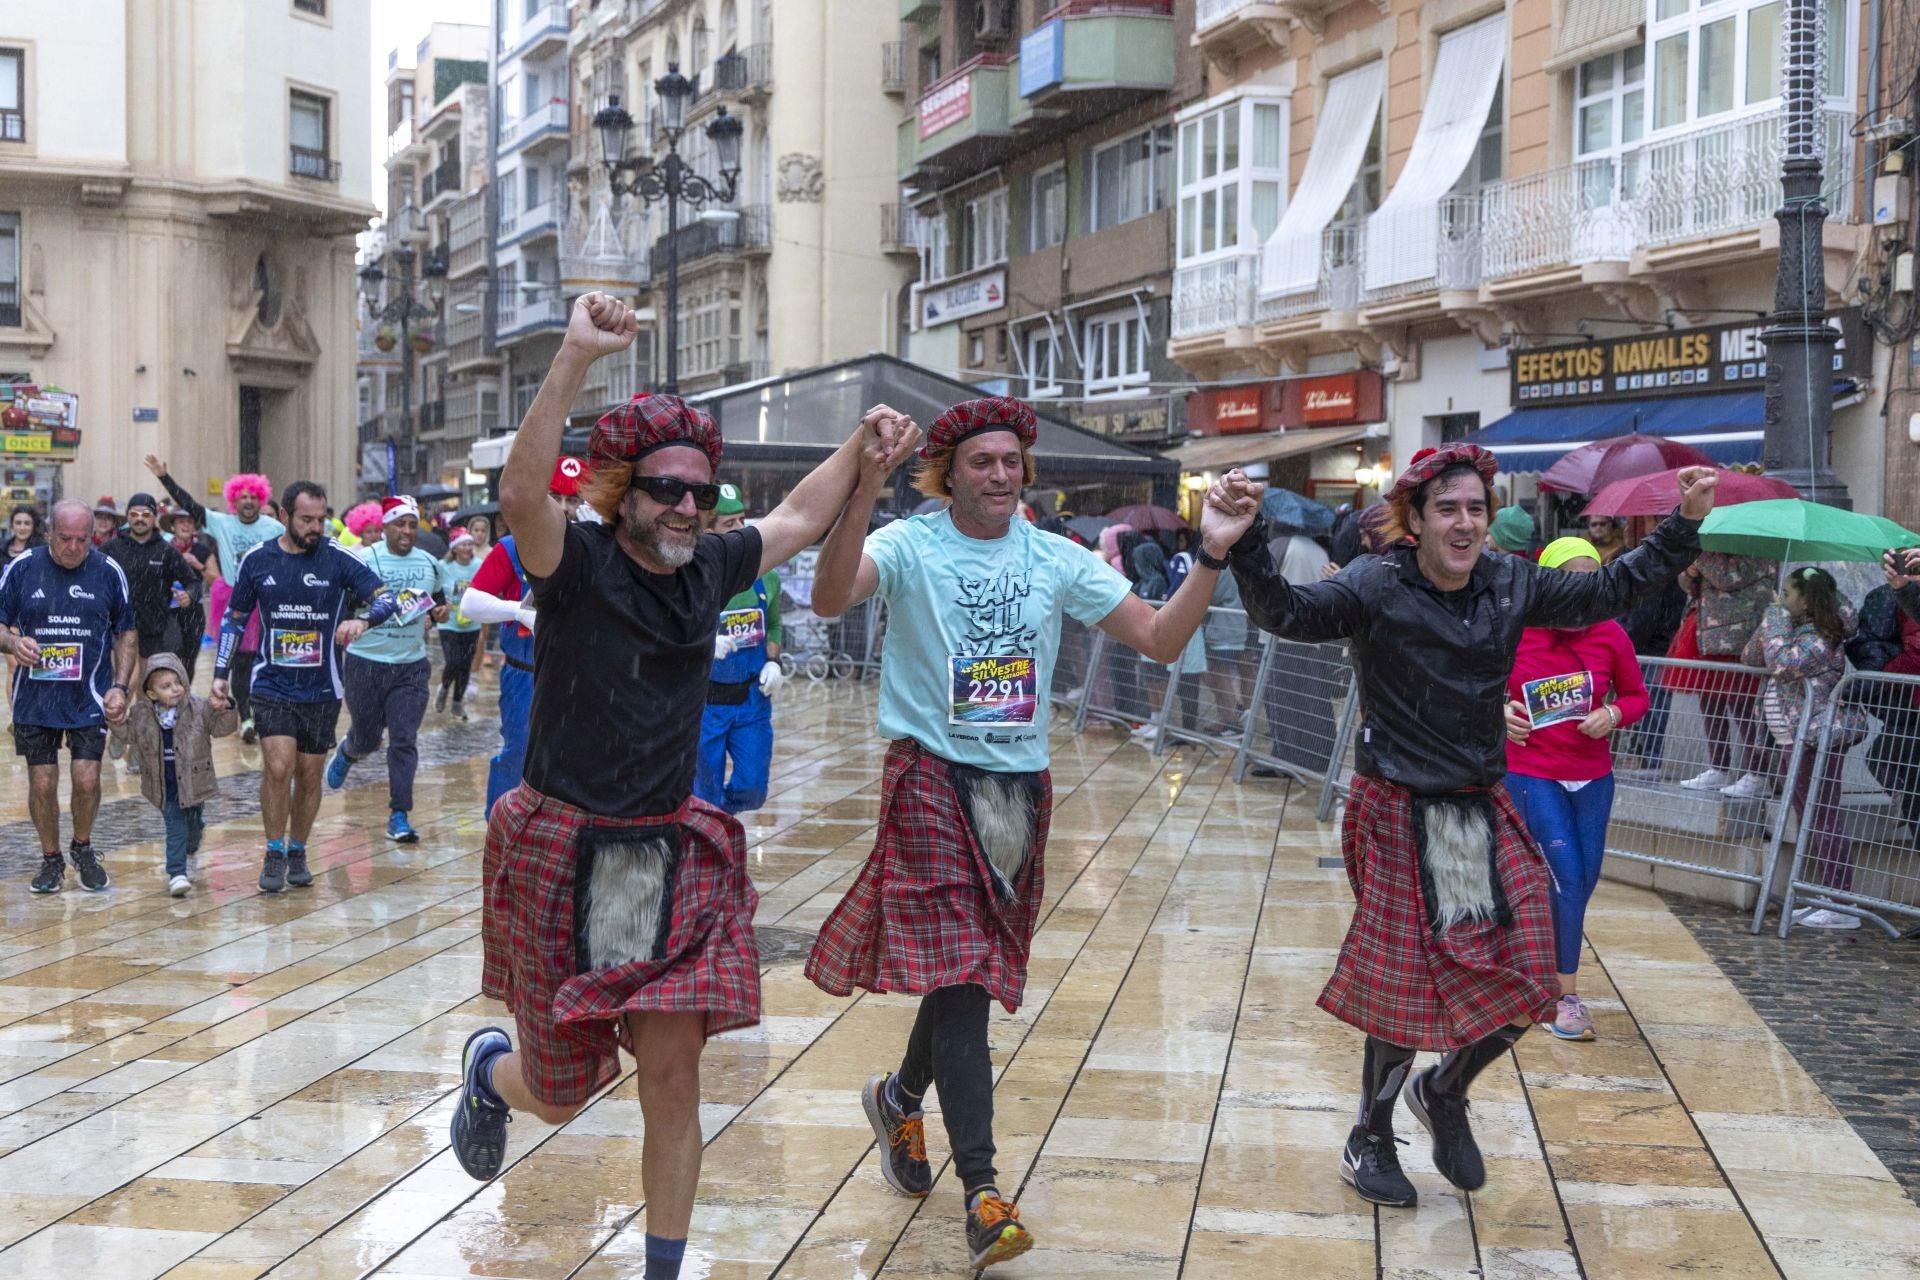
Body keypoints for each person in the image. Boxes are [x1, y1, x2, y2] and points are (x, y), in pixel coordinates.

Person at [451, 292, 919, 1280]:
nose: (685, 507)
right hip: (562, 843)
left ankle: (665, 1267)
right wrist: (578, 352)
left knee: (672, 1070)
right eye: (664, 488)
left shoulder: (712, 564)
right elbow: (525, 493)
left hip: (669, 848)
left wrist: (858, 443)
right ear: (624, 490)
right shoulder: (570, 561)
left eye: (699, 492)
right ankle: (491, 1074)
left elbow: (797, 512)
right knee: (564, 1088)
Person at [802, 395, 1254, 1272]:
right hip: (931, 775)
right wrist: (863, 487)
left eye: (1012, 462)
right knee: (967, 973)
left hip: (1017, 791)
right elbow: (826, 597)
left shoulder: (1055, 557)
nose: (1002, 476)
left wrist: (1212, 553)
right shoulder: (909, 545)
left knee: (962, 970)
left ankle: (899, 1098)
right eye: (983, 462)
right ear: (948, 472)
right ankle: (984, 1192)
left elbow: (1160, 640)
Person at [1208, 445, 1716, 1211]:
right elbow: (1288, 613)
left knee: (1535, 968)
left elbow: (1612, 586)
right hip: (1396, 806)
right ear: (1414, 520)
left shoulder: (1511, 580)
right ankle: (1369, 1138)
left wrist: (1685, 522)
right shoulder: (1376, 583)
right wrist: (1245, 541)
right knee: (1405, 987)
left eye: (1476, 507)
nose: (1465, 521)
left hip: (1478, 803)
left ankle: (1445, 1090)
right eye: (1447, 507)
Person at [214, 480, 397, 893]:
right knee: (278, 768)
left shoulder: (338, 559)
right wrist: (220, 676)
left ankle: (298, 847)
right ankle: (274, 850)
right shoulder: (258, 561)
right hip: (272, 683)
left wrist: (364, 620)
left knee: (309, 775)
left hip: (322, 688)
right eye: (307, 520)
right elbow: (234, 618)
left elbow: (389, 599)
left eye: (321, 519)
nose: (316, 527)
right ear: (283, 516)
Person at [1500, 536, 1648, 1041]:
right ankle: (1563, 996)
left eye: (1591, 581)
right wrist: (1500, 714)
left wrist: (1612, 713)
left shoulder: (1610, 634)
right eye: (1570, 581)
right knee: (1563, 878)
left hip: (1593, 776)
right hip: (1530, 770)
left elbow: (1636, 695)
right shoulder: (1514, 630)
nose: (1581, 594)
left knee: (1581, 883)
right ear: (1547, 583)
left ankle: (1526, 964)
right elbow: (1471, 687)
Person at [0, 500, 138, 894]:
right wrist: (12, 641)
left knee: (87, 777)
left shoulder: (108, 571)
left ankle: (82, 846)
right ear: (49, 532)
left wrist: (120, 687)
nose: (74, 548)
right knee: (42, 783)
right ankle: (50, 859)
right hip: (36, 698)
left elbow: (126, 632)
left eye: (83, 539)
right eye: (65, 539)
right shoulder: (23, 567)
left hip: (88, 697)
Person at [458, 456, 589, 817]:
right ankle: (502, 829)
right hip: (525, 674)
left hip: (583, 675)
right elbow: (470, 603)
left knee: (579, 758)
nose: (564, 509)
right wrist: (517, 611)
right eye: (556, 497)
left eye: (573, 500)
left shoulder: (599, 548)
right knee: (520, 752)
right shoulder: (514, 547)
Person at [1744, 567, 1868, 930]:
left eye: (1787, 592)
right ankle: (1826, 896)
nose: (1782, 598)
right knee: (1811, 818)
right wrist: (1771, 621)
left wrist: (1775, 617)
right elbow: (1753, 658)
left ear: (1805, 598)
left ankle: (1841, 902)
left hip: (1814, 739)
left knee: (1823, 817)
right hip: (1791, 739)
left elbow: (1783, 666)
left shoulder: (1823, 635)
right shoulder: (1792, 627)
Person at [325, 495, 447, 843]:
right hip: (366, 664)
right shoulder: (364, 559)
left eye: (412, 524)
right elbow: (342, 605)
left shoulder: (429, 562)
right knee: (367, 736)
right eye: (400, 524)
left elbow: (439, 604)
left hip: (410, 666)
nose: (407, 531)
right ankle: (350, 750)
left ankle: (399, 815)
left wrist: (438, 615)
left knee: (404, 739)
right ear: (385, 527)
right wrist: (352, 622)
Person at [146, 458, 285, 739]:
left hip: (265, 599)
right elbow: (192, 505)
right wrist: (165, 478)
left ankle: (256, 712)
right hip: (233, 597)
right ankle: (245, 716)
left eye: (252, 496)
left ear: (260, 500)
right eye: (242, 496)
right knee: (236, 661)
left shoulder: (274, 527)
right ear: (234, 500)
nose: (247, 500)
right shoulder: (222, 523)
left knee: (260, 660)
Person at [107, 653, 239, 896]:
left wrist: (227, 707)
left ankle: (191, 848)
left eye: (178, 683)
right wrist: (114, 718)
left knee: (194, 824)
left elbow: (223, 728)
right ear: (151, 693)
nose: (175, 689)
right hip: (164, 785)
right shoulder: (142, 715)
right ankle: (177, 873)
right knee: (175, 826)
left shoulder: (198, 708)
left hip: (195, 782)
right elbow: (127, 734)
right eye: (166, 686)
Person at [694, 484, 787, 814]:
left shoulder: (767, 576)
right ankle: (710, 834)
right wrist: (703, 642)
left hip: (752, 701)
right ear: (706, 530)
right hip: (706, 703)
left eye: (742, 521)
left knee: (752, 789)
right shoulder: (691, 578)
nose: (740, 531)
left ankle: (721, 818)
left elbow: (774, 624)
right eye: (728, 525)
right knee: (703, 794)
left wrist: (774, 661)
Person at [1671, 551, 1776, 797]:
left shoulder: (1757, 550)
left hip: (1738, 638)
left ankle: (1758, 773)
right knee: (1710, 702)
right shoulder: (1714, 549)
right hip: (1709, 634)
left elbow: (1727, 578)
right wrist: (1688, 573)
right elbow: (1690, 587)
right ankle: (1719, 767)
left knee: (1743, 707)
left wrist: (1697, 557)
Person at [1251, 529, 1336, 780]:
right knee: (1313, 697)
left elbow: (1263, 585)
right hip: (1313, 635)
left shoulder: (1279, 545)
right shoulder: (1319, 550)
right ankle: (1319, 753)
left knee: (1281, 700)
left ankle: (1285, 756)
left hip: (1282, 635)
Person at [99, 491, 204, 669]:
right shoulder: (110, 549)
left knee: (147, 685)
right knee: (123, 682)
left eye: (146, 514)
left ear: (154, 517)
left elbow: (193, 582)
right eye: (134, 514)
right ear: (127, 517)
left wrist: (189, 595)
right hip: (119, 626)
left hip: (154, 628)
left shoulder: (166, 551)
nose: (140, 519)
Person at [435, 529, 484, 719]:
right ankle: (445, 688)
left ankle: (457, 703)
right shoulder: (443, 566)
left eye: (470, 544)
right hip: (449, 623)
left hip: (471, 624)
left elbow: (486, 588)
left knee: (465, 665)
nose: (467, 548)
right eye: (463, 544)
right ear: (454, 548)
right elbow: (435, 589)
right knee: (453, 661)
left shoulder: (479, 565)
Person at [166, 508, 217, 680]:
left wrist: (198, 565)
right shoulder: (164, 548)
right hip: (167, 613)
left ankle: (184, 700)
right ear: (172, 526)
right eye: (181, 521)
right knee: (168, 660)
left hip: (194, 613)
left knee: (189, 661)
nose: (185, 525)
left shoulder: (202, 550)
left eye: (189, 522)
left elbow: (216, 581)